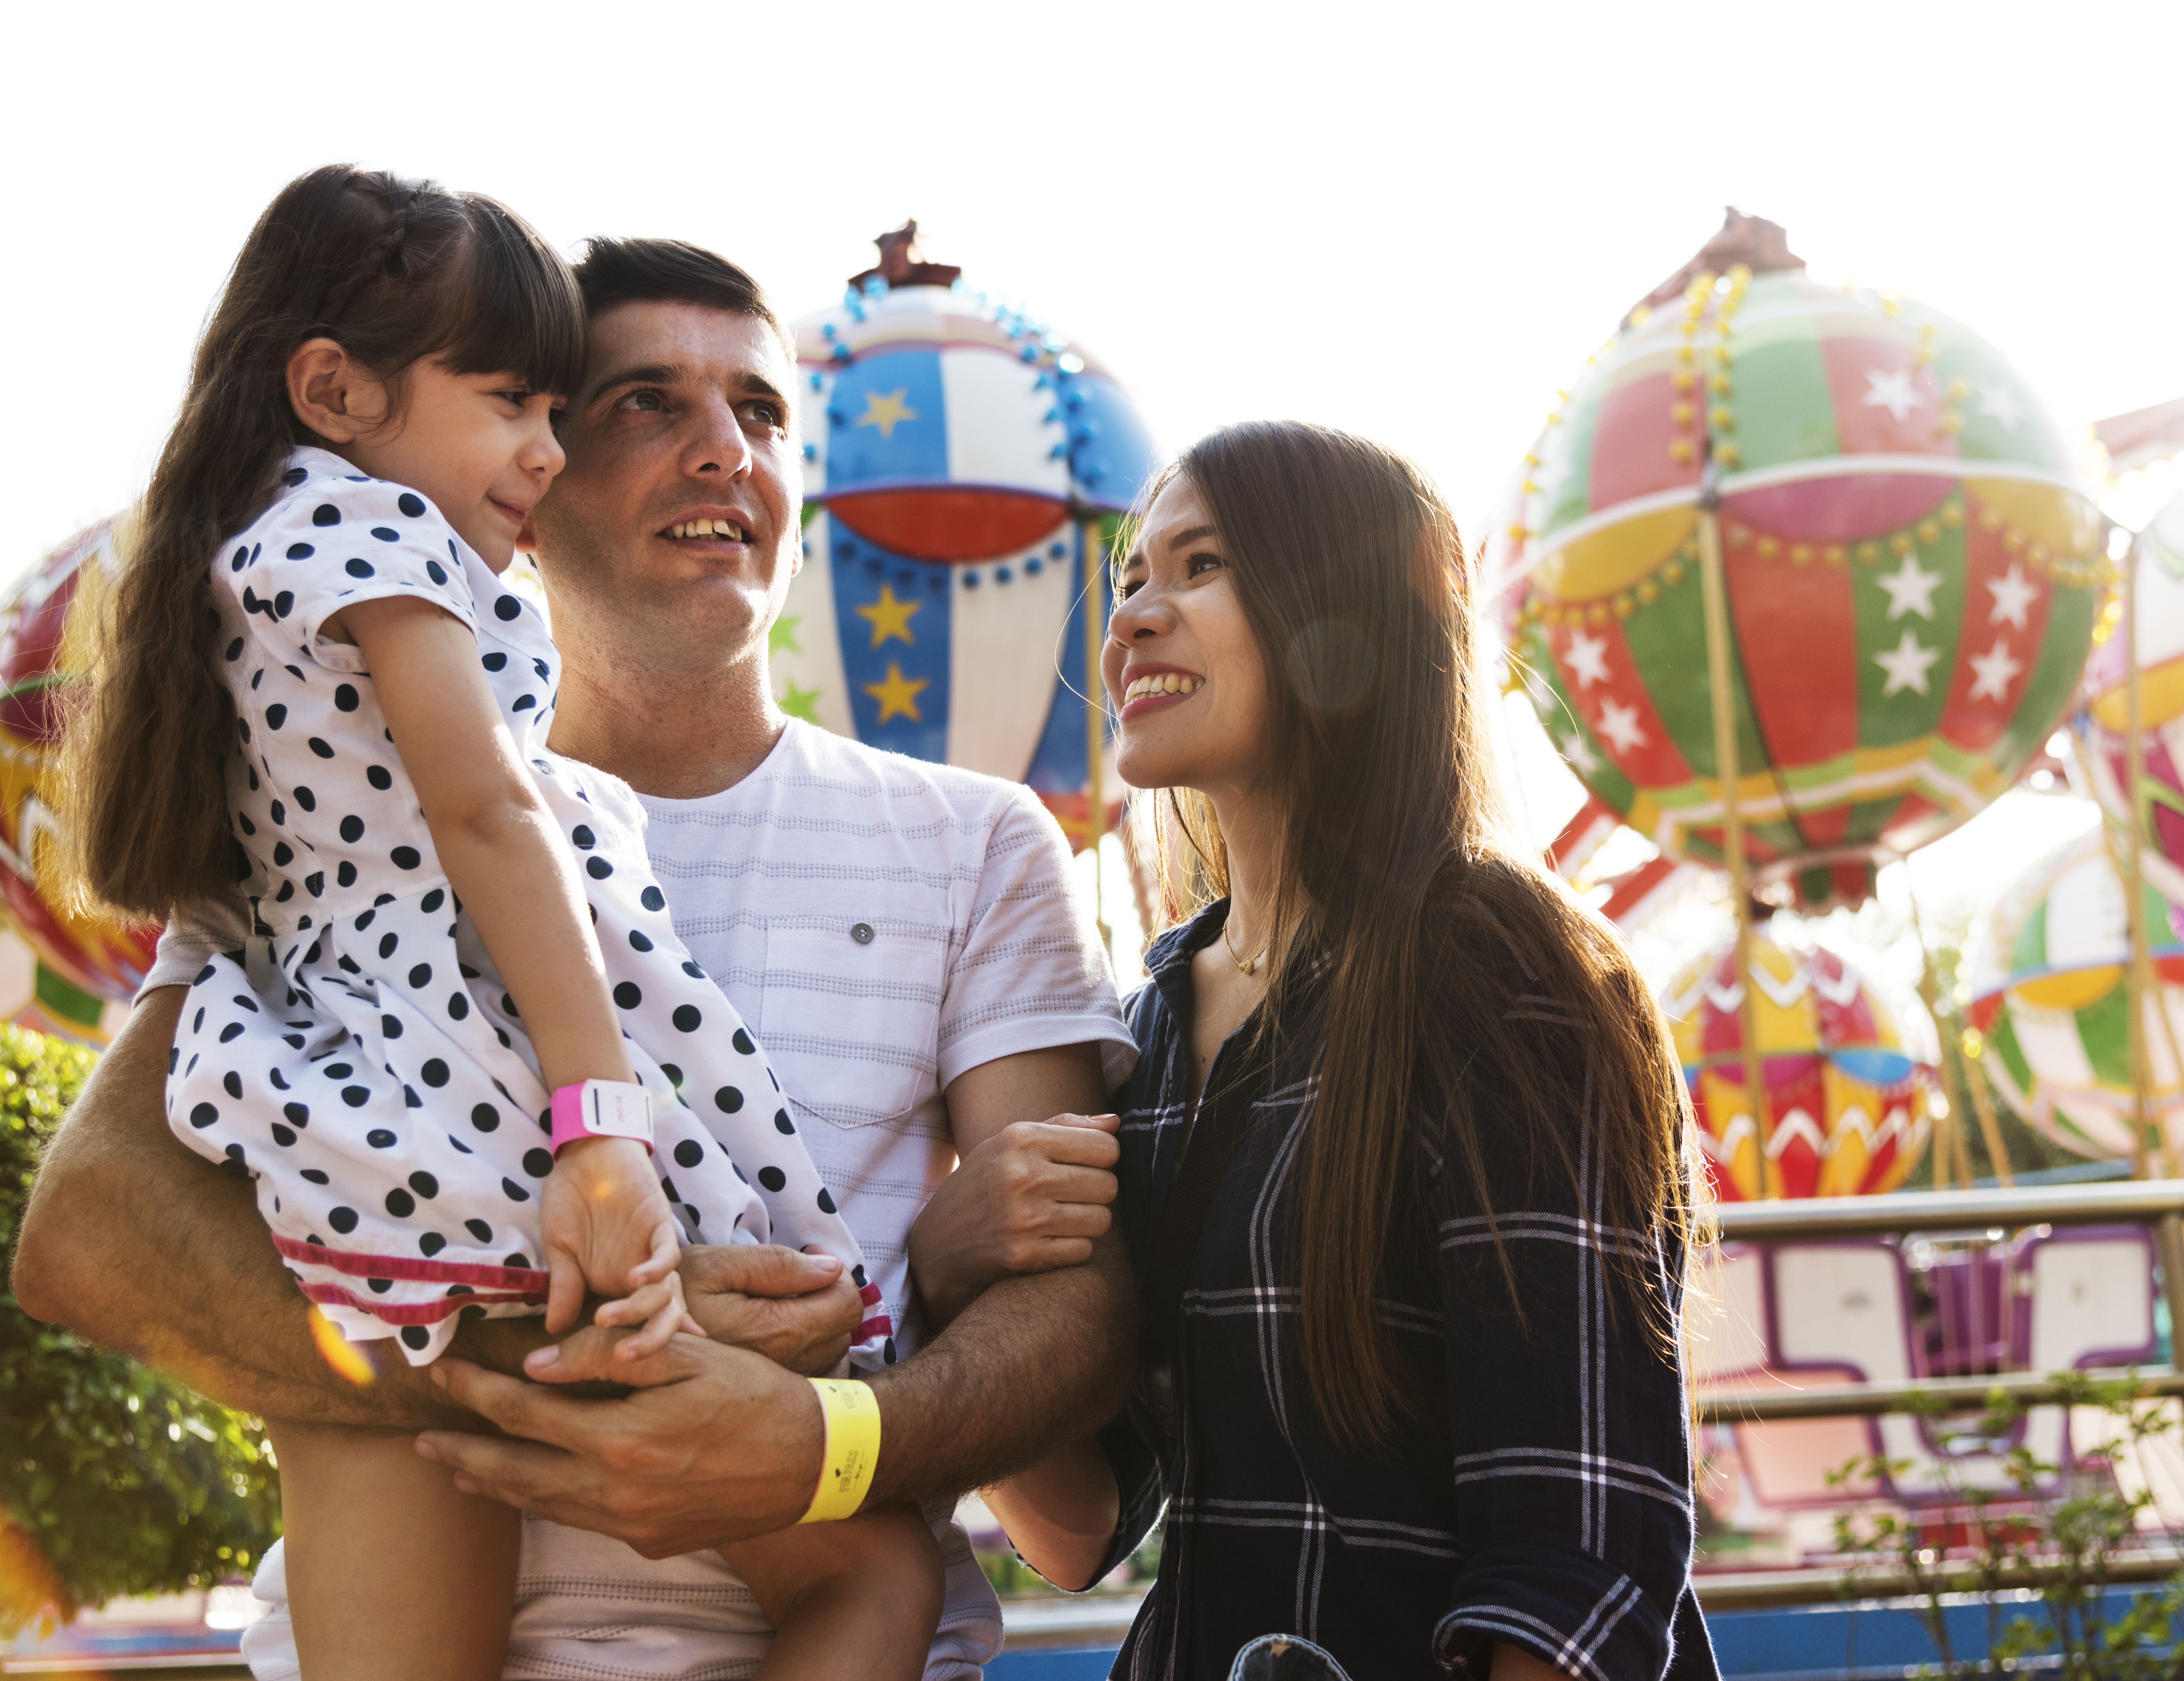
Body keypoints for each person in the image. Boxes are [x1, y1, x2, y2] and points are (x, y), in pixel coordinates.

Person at [14, 226, 1138, 1679]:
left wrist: (819, 1430)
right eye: (645, 402)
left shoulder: (976, 844)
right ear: (527, 484)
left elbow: (1076, 1353)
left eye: (763, 411)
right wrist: (570, 1362)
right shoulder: (337, 826)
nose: (727, 448)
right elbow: (90, 1236)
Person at [973, 423, 1718, 1678]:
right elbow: (1082, 1525)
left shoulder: (1498, 969)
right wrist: (953, 1283)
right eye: (1134, 578)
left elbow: (1577, 1556)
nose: (1136, 618)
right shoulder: (1152, 1024)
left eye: (1201, 565)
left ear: (1348, 609)